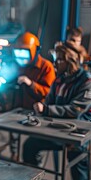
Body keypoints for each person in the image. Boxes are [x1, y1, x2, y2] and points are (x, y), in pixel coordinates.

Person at [23, 41, 91, 180]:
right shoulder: (59, 80)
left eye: (60, 60)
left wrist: (47, 109)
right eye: (56, 59)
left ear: (71, 61)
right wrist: (42, 106)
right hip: (57, 128)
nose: (55, 63)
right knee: (30, 145)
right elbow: (49, 101)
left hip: (79, 133)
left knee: (76, 159)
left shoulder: (89, 83)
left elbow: (75, 111)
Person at [8, 32, 56, 160]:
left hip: (38, 111)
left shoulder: (46, 67)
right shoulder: (17, 65)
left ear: (36, 50)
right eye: (18, 52)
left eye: (25, 52)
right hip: (19, 108)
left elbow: (48, 92)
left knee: (32, 144)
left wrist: (30, 83)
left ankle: (35, 161)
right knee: (8, 124)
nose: (21, 57)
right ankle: (14, 153)